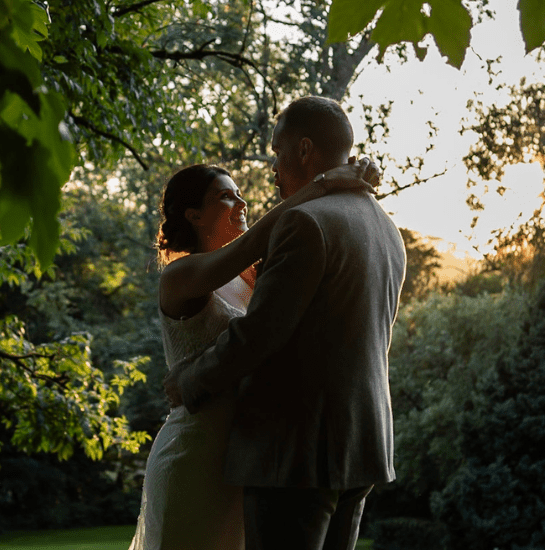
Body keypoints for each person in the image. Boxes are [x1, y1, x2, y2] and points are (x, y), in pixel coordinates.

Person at [164, 96, 407, 550]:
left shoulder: (304, 223)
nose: (272, 167)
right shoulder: (386, 228)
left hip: (296, 451)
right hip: (362, 443)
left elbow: (260, 335)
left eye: (277, 152)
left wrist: (189, 379)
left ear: (304, 150)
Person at [129, 156, 379, 550]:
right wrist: (322, 183)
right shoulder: (181, 275)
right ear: (194, 215)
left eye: (241, 194)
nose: (242, 203)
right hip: (196, 452)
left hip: (248, 454)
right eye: (226, 197)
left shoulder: (252, 275)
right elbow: (255, 240)